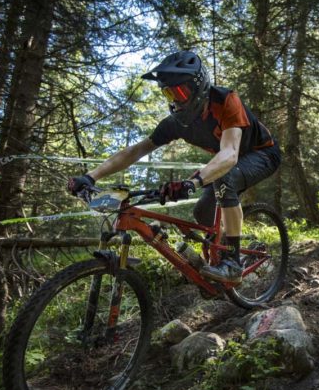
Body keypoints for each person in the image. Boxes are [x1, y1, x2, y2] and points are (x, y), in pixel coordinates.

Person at [67, 50, 280, 284]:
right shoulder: (176, 122)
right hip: (227, 162)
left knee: (225, 179)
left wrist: (193, 182)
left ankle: (233, 262)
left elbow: (229, 154)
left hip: (261, 153)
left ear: (198, 86)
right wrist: (91, 176)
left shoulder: (226, 100)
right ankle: (216, 253)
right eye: (168, 93)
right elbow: (136, 150)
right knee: (202, 212)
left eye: (179, 92)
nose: (175, 100)